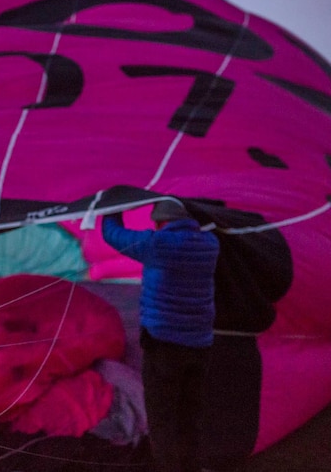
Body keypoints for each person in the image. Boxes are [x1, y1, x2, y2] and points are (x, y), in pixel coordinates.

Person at [101, 200, 219, 472]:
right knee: (190, 413)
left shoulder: (159, 245)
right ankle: (191, 467)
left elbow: (112, 235)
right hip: (200, 344)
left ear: (161, 221)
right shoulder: (210, 244)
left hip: (165, 344)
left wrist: (111, 205)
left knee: (162, 417)